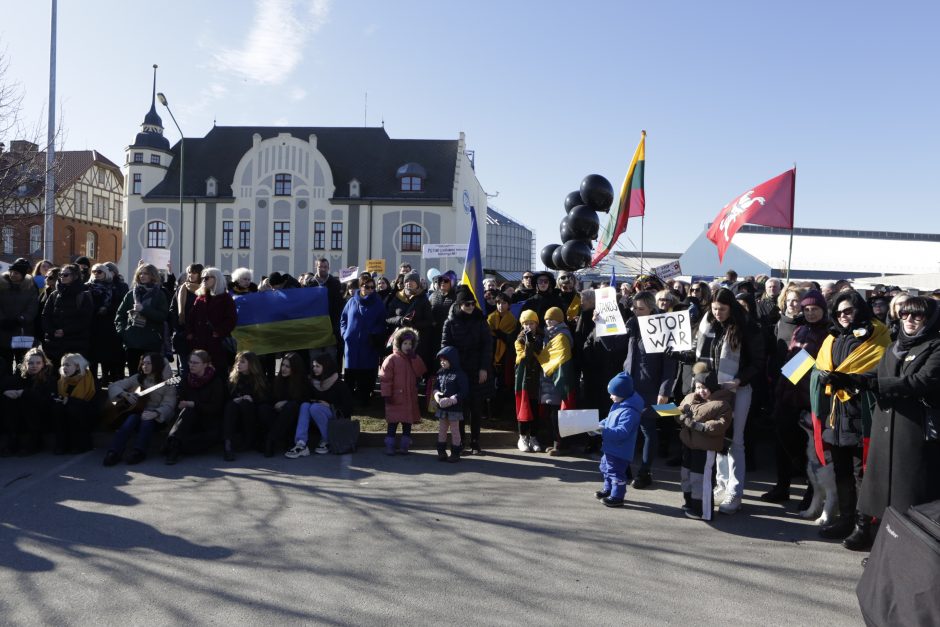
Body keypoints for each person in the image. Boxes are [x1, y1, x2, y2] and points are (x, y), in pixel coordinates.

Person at [845, 296, 940, 551]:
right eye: (905, 315)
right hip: (886, 425)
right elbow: (878, 373)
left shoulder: (935, 347)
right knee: (879, 487)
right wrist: (851, 380)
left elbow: (920, 382)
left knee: (906, 494)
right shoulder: (895, 346)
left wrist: (877, 384)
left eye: (917, 316)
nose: (909, 320)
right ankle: (871, 536)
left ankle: (899, 553)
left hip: (913, 430)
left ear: (929, 320)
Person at [669, 287, 764, 514]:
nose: (718, 313)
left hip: (738, 389)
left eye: (722, 309)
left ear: (731, 307)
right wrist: (679, 354)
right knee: (716, 440)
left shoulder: (747, 328)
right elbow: (698, 355)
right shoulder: (707, 324)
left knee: (736, 440)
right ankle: (721, 485)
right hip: (710, 389)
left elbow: (758, 361)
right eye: (714, 309)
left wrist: (740, 379)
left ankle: (735, 490)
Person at [810, 291, 889, 541]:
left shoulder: (877, 334)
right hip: (836, 413)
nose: (843, 316)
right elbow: (819, 366)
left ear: (859, 310)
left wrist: (850, 379)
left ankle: (864, 525)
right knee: (841, 471)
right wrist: (821, 376)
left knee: (861, 472)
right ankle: (845, 519)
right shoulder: (833, 337)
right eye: (839, 312)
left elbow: (882, 371)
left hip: (862, 412)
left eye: (848, 311)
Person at [600, 291, 677, 488]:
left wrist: (664, 391)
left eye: (640, 308)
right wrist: (601, 325)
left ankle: (645, 471)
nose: (635, 311)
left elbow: (670, 365)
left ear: (651, 308)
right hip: (628, 388)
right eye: (634, 307)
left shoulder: (663, 326)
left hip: (651, 388)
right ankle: (623, 467)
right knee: (626, 427)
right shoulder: (632, 324)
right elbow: (613, 346)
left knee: (648, 429)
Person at [761, 289, 830, 504]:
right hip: (789, 393)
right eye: (807, 309)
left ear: (823, 310)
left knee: (809, 449)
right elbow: (792, 365)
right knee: (783, 443)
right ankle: (782, 487)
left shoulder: (829, 333)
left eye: (815, 309)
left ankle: (812, 492)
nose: (810, 313)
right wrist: (780, 392)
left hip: (811, 398)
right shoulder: (799, 330)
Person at [675, 363, 733, 520]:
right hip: (688, 444)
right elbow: (678, 411)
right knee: (686, 475)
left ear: (713, 387)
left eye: (705, 388)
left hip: (706, 447)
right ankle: (690, 503)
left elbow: (721, 425)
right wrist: (680, 417)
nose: (702, 391)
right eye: (699, 387)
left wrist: (698, 426)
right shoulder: (690, 398)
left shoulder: (722, 404)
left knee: (701, 479)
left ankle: (703, 511)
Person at [441, 289, 493, 454]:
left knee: (476, 407)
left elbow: (487, 346)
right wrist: (449, 367)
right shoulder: (450, 322)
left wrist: (484, 368)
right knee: (460, 407)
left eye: (473, 303)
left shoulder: (481, 320)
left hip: (477, 369)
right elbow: (445, 346)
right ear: (459, 304)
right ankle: (460, 441)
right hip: (458, 370)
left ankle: (476, 442)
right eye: (467, 304)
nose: (471, 306)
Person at [104, 353, 177, 465]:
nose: (144, 366)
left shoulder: (168, 383)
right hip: (138, 412)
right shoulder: (138, 378)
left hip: (157, 418)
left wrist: (156, 413)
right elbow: (114, 386)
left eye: (148, 363)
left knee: (146, 421)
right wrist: (125, 394)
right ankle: (114, 452)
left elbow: (169, 405)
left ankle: (139, 452)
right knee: (131, 419)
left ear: (157, 365)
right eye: (143, 363)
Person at [164, 350, 226, 465]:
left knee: (213, 436)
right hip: (190, 418)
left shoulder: (215, 380)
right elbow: (181, 401)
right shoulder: (186, 379)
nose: (191, 365)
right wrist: (182, 404)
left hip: (209, 419)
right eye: (190, 362)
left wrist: (194, 404)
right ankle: (174, 447)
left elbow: (216, 407)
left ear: (206, 364)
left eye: (195, 363)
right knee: (188, 411)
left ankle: (175, 445)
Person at [287, 353, 353, 458]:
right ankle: (301, 443)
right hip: (314, 415)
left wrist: (330, 405)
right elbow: (304, 398)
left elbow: (348, 407)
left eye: (318, 366)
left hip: (334, 417)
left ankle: (327, 440)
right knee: (305, 405)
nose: (314, 369)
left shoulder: (339, 384)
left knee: (315, 408)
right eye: (313, 366)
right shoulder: (312, 382)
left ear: (326, 366)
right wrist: (315, 400)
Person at [595, 372, 643, 508]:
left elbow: (622, 432)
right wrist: (598, 425)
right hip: (610, 447)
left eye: (613, 394)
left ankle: (617, 496)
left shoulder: (629, 412)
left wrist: (603, 431)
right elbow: (608, 420)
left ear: (623, 393)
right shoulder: (618, 404)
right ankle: (608, 489)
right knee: (605, 468)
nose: (610, 396)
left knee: (616, 473)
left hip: (620, 450)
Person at [341, 275, 388, 406]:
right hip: (352, 345)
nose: (370, 290)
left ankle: (363, 400)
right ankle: (349, 400)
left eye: (372, 287)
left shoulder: (378, 303)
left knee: (366, 375)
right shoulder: (351, 301)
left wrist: (375, 333)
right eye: (367, 287)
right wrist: (345, 334)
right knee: (350, 373)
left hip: (369, 345)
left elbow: (382, 322)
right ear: (360, 287)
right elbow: (343, 319)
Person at [379, 327, 427, 455]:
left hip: (409, 398)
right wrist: (386, 394)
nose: (408, 346)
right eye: (405, 343)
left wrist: (415, 358)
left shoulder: (413, 358)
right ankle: (390, 445)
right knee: (393, 424)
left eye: (410, 344)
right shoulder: (391, 359)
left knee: (407, 423)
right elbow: (385, 379)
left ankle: (404, 446)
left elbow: (421, 371)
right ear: (399, 343)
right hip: (395, 398)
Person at [0, 348, 56, 455]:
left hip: (41, 417)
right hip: (20, 416)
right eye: (30, 363)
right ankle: (13, 438)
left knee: (27, 399)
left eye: (38, 363)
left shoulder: (49, 380)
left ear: (44, 364)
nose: (34, 365)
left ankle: (34, 441)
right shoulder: (19, 378)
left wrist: (24, 393)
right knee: (9, 400)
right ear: (26, 364)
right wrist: (6, 392)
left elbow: (46, 402)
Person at [115, 263, 169, 376]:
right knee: (134, 376)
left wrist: (144, 309)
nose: (142, 276)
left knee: (151, 376)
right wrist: (124, 332)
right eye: (140, 273)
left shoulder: (159, 294)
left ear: (153, 276)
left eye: (146, 273)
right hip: (132, 342)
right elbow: (120, 316)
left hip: (151, 342)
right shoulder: (131, 294)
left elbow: (162, 316)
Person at [537, 306, 577, 455]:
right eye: (546, 320)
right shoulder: (549, 334)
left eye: (551, 320)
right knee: (553, 414)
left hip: (557, 379)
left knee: (558, 414)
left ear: (559, 320)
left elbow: (561, 359)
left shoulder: (561, 336)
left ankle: (560, 445)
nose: (548, 323)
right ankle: (556, 442)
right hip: (548, 378)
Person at [186, 267, 237, 375]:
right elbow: (191, 318)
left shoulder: (226, 298)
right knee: (198, 374)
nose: (204, 280)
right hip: (199, 344)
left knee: (217, 374)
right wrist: (190, 333)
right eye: (203, 278)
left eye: (207, 278)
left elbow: (231, 320)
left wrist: (218, 332)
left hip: (216, 345)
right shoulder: (200, 297)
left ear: (217, 279)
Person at [222, 351, 272, 461]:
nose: (238, 364)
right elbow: (225, 398)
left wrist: (252, 399)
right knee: (231, 405)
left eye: (242, 362)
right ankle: (227, 445)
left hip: (252, 415)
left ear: (251, 364)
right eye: (237, 362)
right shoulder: (232, 379)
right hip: (236, 414)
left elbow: (266, 399)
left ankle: (252, 440)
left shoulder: (259, 380)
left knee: (247, 404)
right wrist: (235, 399)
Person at [41, 263, 94, 367]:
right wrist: (52, 331)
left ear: (75, 276)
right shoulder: (54, 294)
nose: (62, 277)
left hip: (75, 343)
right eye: (61, 274)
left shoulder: (83, 295)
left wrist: (65, 331)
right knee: (54, 374)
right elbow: (45, 316)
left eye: (66, 275)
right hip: (54, 342)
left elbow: (85, 319)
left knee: (73, 374)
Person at [85, 263, 127, 383]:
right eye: (94, 271)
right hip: (92, 325)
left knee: (107, 355)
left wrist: (107, 309)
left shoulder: (113, 288)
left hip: (109, 325)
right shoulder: (87, 287)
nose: (96, 274)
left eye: (99, 272)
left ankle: (106, 378)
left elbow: (119, 305)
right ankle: (92, 381)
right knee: (92, 356)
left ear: (106, 273)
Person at [266, 352, 313, 455]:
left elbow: (304, 401)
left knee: (291, 406)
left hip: (293, 417)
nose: (284, 368)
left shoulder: (303, 382)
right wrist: (276, 404)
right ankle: (274, 438)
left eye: (288, 366)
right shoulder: (277, 380)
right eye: (283, 365)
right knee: (263, 408)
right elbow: (270, 398)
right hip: (278, 414)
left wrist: (286, 402)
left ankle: (271, 440)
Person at [385, 270, 433, 370]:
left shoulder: (423, 299)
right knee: (399, 368)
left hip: (416, 341)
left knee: (412, 369)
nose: (409, 283)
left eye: (412, 281)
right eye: (407, 281)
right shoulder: (397, 297)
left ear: (417, 284)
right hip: (399, 339)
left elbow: (429, 321)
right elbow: (388, 317)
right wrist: (399, 320)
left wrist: (414, 324)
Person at [52, 353, 97, 454]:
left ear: (77, 366)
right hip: (67, 414)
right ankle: (62, 445)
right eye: (63, 365)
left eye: (67, 365)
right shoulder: (61, 381)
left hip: (86, 413)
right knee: (58, 408)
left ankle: (79, 445)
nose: (64, 368)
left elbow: (93, 405)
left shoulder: (88, 379)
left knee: (73, 408)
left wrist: (70, 401)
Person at [0, 257, 39, 374]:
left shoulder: (31, 287)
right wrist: (2, 320)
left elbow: (33, 307)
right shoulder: (1, 286)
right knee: (4, 361)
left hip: (22, 330)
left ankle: (21, 384)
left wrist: (20, 319)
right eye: (11, 271)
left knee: (22, 361)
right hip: (3, 329)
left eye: (16, 273)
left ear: (23, 274)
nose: (12, 274)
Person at [513, 310, 545, 452]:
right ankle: (522, 437)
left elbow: (542, 355)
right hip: (524, 378)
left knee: (535, 409)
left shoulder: (542, 338)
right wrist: (528, 343)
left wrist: (533, 342)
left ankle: (533, 436)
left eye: (531, 323)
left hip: (538, 379)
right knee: (523, 407)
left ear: (536, 324)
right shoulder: (519, 340)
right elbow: (524, 358)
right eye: (526, 324)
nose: (529, 326)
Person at [432, 346, 468, 462]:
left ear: (452, 360)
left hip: (454, 409)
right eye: (441, 360)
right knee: (442, 430)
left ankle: (455, 453)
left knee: (455, 430)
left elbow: (464, 390)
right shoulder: (440, 373)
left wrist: (453, 399)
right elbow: (436, 386)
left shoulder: (460, 374)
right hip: (442, 407)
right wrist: (437, 395)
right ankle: (441, 451)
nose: (442, 362)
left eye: (445, 360)